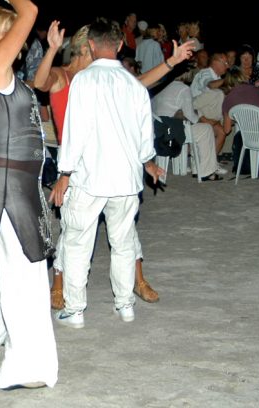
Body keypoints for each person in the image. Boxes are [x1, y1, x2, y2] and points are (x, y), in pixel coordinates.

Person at [34, 21, 194, 309]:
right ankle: (59, 282)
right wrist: (52, 49)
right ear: (85, 49)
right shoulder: (65, 77)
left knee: (122, 229)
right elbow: (39, 82)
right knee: (74, 231)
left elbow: (140, 83)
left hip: (107, 164)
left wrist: (172, 61)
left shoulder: (107, 79)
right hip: (74, 163)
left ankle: (136, 280)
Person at [0, 0, 58, 390]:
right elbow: (32, 10)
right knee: (26, 277)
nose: (17, 44)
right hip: (10, 186)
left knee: (21, 268)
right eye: (9, 34)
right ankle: (24, 369)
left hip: (13, 180)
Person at [49, 18, 164, 329]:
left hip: (90, 178)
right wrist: (148, 162)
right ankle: (125, 305)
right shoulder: (133, 85)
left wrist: (64, 173)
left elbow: (75, 131)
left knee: (77, 243)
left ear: (90, 45)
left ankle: (75, 310)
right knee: (123, 242)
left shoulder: (84, 81)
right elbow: (144, 133)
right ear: (121, 44)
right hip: (126, 179)